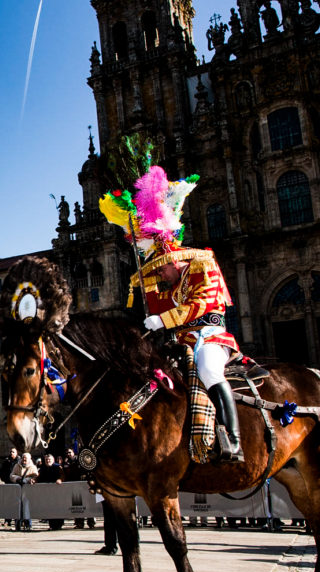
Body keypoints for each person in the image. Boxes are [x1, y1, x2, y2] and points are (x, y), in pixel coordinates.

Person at [101, 155, 243, 463]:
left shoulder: (204, 263)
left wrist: (161, 319)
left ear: (173, 258)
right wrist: (148, 295)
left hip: (210, 335)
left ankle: (232, 438)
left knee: (207, 369)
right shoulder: (170, 281)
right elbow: (157, 307)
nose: (161, 275)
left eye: (162, 268)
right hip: (181, 341)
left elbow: (199, 304)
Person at [10, 452, 39, 530]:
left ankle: (28, 524)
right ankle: (17, 523)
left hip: (28, 491)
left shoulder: (33, 467)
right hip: (18, 489)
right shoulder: (17, 465)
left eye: (26, 458)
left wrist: (27, 480)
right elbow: (11, 475)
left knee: (27, 507)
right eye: (23, 458)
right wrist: (18, 478)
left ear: (29, 459)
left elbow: (36, 476)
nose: (24, 459)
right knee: (17, 506)